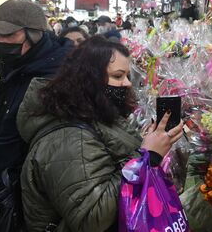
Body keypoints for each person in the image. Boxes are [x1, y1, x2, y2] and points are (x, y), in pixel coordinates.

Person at [18, 36, 184, 231]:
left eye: (127, 76)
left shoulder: (90, 114)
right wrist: (148, 156)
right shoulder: (70, 138)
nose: (127, 84)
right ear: (89, 79)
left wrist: (145, 143)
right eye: (118, 76)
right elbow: (92, 217)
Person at [0, 0, 72, 228]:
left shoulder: (56, 78)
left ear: (34, 35)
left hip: (24, 198)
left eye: (7, 35)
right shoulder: (16, 65)